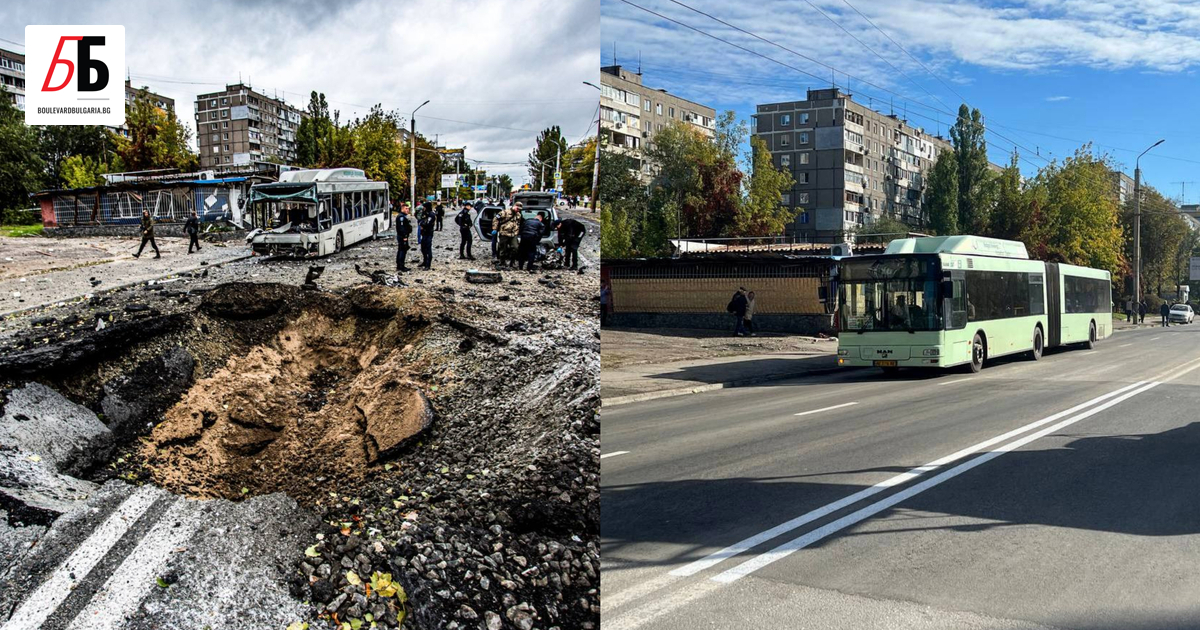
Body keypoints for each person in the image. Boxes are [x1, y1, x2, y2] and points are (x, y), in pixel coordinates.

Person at [495, 203, 523, 268]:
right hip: (504, 233)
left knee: (515, 248)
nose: (518, 210)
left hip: (513, 234)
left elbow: (518, 223)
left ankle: (512, 262)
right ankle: (502, 262)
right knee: (503, 248)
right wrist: (495, 229)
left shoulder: (518, 215)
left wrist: (517, 230)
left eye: (519, 209)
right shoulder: (504, 212)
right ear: (514, 206)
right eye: (517, 208)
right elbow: (496, 219)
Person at [395, 203, 413, 272]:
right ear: (402, 209)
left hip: (402, 236)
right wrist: (405, 236)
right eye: (406, 208)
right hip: (402, 236)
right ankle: (401, 266)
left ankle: (399, 265)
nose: (407, 210)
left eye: (408, 209)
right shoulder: (401, 217)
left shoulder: (403, 216)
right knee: (402, 251)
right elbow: (401, 228)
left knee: (401, 250)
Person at [418, 202, 436, 269]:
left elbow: (428, 223)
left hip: (429, 233)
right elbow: (420, 221)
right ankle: (425, 261)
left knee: (428, 249)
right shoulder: (424, 213)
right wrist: (421, 224)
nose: (423, 208)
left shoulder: (431, 214)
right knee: (423, 248)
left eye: (424, 207)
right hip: (423, 233)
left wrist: (422, 224)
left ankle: (428, 264)